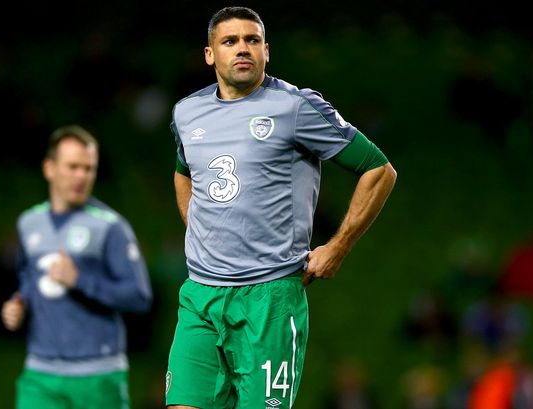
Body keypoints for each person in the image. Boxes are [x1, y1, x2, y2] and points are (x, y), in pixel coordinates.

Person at [167, 6, 397, 409]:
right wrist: (195, 226)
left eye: (252, 40)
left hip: (269, 298)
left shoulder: (295, 107)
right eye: (230, 41)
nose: (242, 49)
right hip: (200, 295)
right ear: (210, 54)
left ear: (266, 51)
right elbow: (184, 171)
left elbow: (378, 169)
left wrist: (338, 246)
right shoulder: (188, 112)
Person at [1, 125, 153, 409]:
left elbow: (138, 296)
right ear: (50, 168)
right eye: (73, 167)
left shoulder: (110, 226)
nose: (81, 176)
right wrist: (18, 304)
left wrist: (80, 279)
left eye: (89, 169)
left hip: (97, 374)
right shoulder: (28, 223)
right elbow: (28, 278)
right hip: (40, 373)